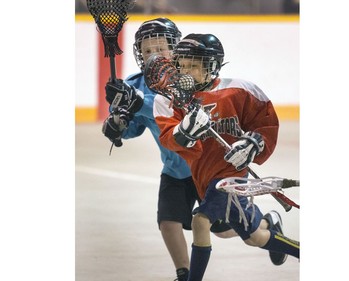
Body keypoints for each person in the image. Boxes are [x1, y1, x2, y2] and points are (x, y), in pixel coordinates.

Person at [153, 33, 300, 281]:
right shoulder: (171, 99)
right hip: (204, 176)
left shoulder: (239, 91)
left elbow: (265, 125)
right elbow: (169, 137)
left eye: (194, 65)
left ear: (212, 65)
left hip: (231, 177)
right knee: (255, 237)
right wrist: (185, 132)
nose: (186, 71)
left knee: (200, 221)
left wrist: (253, 143)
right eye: (182, 65)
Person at [101, 18, 233, 281]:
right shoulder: (135, 84)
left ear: (176, 49)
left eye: (161, 49)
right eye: (147, 50)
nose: (154, 55)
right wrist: (118, 123)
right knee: (168, 222)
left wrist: (137, 102)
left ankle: (262, 225)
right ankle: (183, 274)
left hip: (205, 168)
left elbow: (174, 109)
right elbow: (133, 128)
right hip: (174, 169)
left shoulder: (189, 79)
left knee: (223, 228)